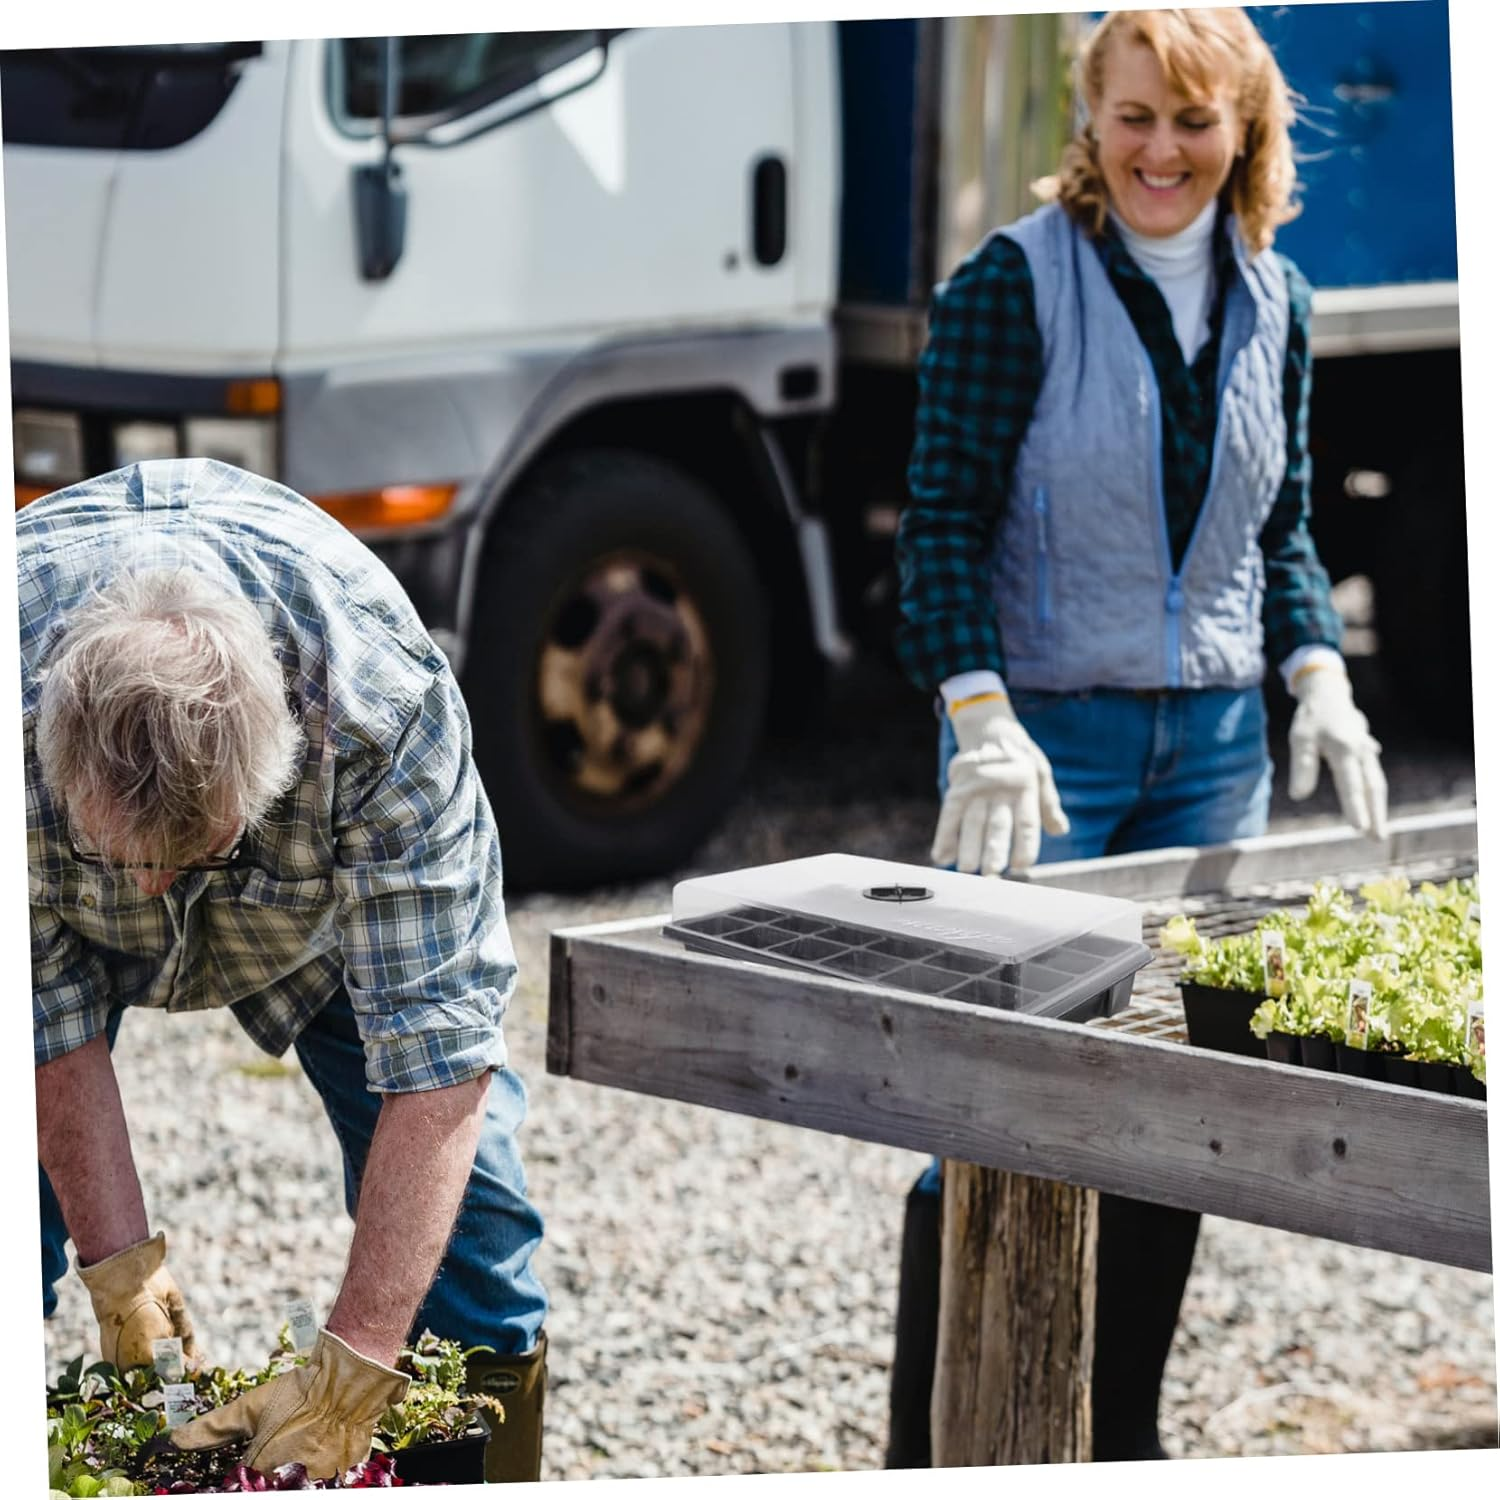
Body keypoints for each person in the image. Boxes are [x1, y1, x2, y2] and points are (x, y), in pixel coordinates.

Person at [886, 8, 1388, 1465]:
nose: (1162, 150)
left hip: (1215, 756)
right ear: (1088, 124)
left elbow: (1280, 533)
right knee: (989, 1106)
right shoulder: (1011, 286)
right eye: (1134, 117)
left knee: (1175, 1118)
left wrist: (1317, 674)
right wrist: (977, 714)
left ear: (1243, 132)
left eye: (1193, 120)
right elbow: (940, 533)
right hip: (1043, 757)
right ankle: (941, 1453)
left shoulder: (1278, 297)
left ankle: (1117, 1446)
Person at [25, 457, 548, 1484]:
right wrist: (123, 1274)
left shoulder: (381, 723)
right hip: (53, 891)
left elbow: (441, 1052)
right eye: (128, 860)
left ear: (276, 771)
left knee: (478, 1246)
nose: (155, 889)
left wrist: (354, 1369)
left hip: (310, 921)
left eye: (189, 855)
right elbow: (39, 1013)